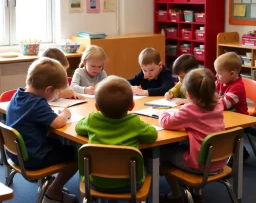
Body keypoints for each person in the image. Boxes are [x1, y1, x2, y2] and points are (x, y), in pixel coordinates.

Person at [6, 57, 78, 203]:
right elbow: (58, 123)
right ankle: (53, 193)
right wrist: (65, 114)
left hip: (16, 154)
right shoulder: (38, 103)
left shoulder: (18, 95)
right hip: (33, 157)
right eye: (57, 92)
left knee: (54, 137)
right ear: (48, 90)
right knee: (75, 156)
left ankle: (49, 183)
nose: (56, 96)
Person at [75, 75, 157, 192]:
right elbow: (152, 135)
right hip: (131, 184)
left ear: (97, 107)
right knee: (146, 163)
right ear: (132, 106)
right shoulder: (134, 122)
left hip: (95, 182)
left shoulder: (92, 119)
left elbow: (78, 128)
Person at [159, 68, 226, 203]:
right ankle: (197, 192)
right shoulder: (219, 104)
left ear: (188, 94)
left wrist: (163, 113)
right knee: (187, 147)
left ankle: (175, 195)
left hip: (200, 165)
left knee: (163, 154)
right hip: (219, 162)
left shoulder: (190, 110)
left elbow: (166, 123)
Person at [214, 52, 255, 161]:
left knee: (217, 130)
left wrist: (209, 100)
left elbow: (221, 105)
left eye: (219, 73)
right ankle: (242, 153)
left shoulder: (237, 88)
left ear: (232, 74)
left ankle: (234, 156)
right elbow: (209, 91)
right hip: (227, 116)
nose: (216, 75)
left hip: (239, 119)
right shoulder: (221, 81)